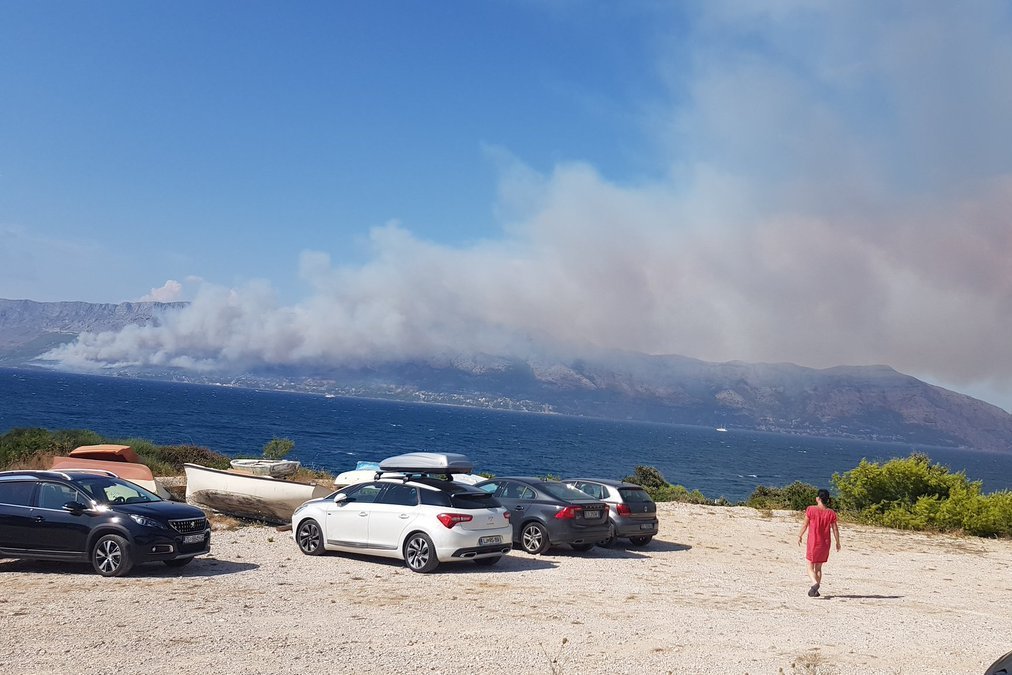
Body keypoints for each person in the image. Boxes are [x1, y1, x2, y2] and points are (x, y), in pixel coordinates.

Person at [797, 488, 840, 597]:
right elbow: (835, 529)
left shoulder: (810, 509)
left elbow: (805, 524)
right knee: (819, 568)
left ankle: (814, 583)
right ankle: (815, 590)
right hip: (825, 543)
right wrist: (838, 542)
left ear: (818, 498)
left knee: (810, 565)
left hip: (813, 542)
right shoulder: (831, 513)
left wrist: (800, 535)